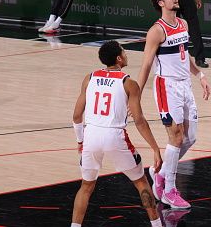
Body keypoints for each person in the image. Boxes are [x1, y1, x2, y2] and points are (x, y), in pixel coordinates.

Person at [70, 41, 163, 227]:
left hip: (91, 135)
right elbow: (139, 120)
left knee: (86, 186)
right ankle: (157, 225)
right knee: (141, 182)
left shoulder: (89, 78)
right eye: (124, 51)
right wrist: (155, 148)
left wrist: (80, 141)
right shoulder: (129, 83)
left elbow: (76, 115)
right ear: (119, 58)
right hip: (114, 135)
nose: (126, 54)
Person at [136, 0, 210, 209]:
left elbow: (184, 56)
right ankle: (169, 190)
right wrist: (135, 96)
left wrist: (200, 75)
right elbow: (147, 64)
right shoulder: (156, 31)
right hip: (166, 86)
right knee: (176, 137)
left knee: (190, 137)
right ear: (161, 2)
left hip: (185, 85)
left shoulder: (183, 24)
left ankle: (159, 173)